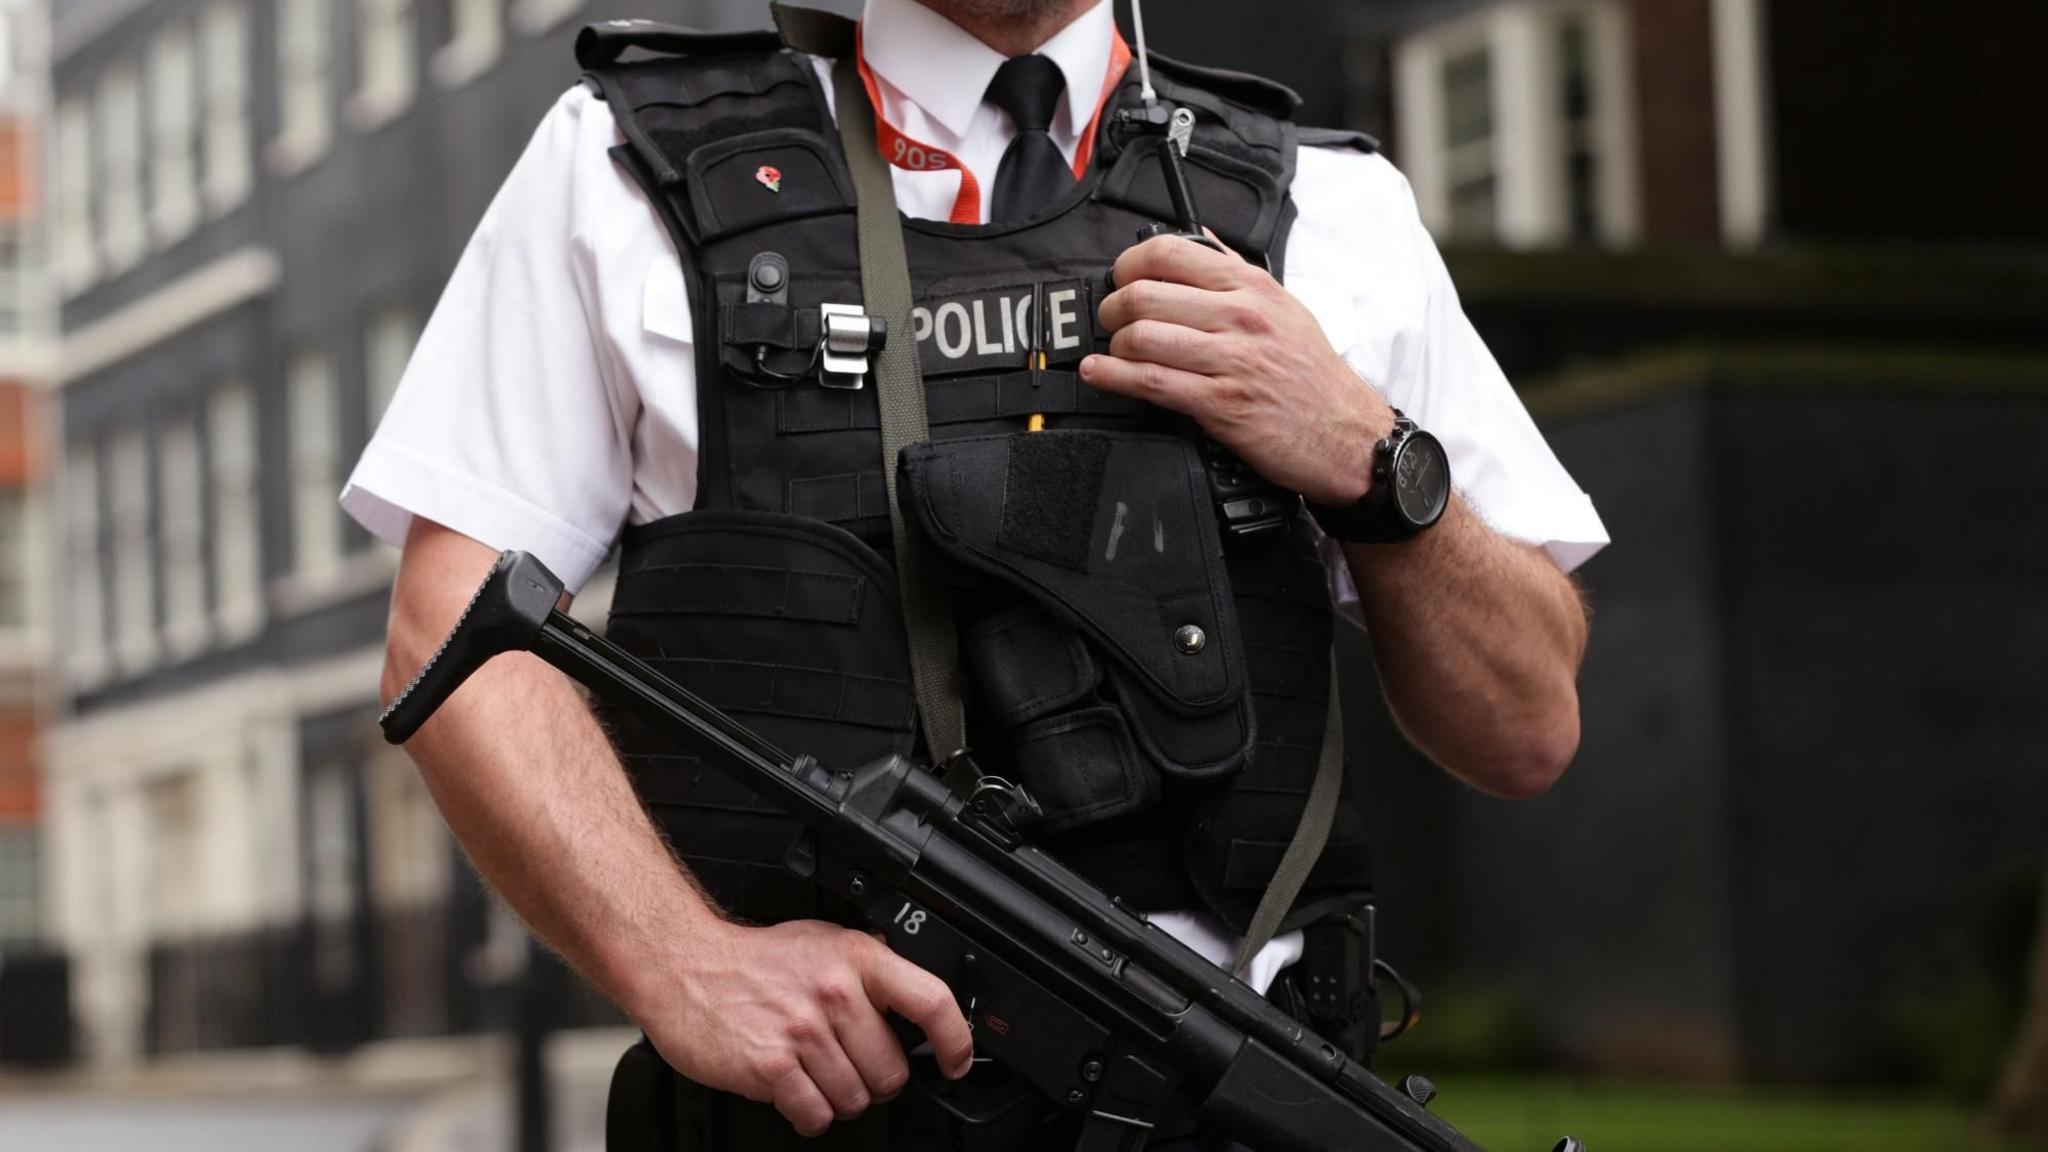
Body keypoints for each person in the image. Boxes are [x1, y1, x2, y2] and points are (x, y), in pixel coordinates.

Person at [344, 0, 1609, 1146]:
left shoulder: (1331, 207)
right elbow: (455, 633)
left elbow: (1523, 725)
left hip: (1242, 1097)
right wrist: (683, 963)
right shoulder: (619, 165)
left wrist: (1374, 464)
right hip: (827, 1110)